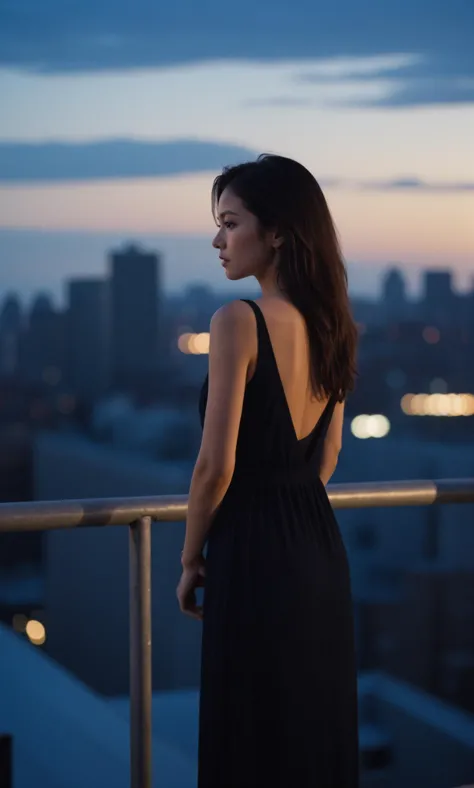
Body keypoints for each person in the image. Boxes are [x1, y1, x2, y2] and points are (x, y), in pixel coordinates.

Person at [177, 153, 359, 787]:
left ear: (277, 231)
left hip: (251, 549)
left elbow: (212, 466)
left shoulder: (238, 322)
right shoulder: (335, 326)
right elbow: (327, 459)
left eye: (230, 223)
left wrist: (190, 556)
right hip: (317, 547)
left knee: (250, 735)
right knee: (310, 728)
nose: (217, 240)